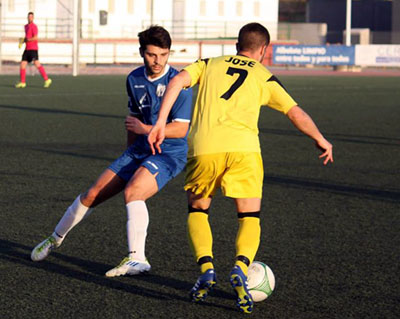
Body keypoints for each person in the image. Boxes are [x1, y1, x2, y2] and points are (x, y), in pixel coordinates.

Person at [148, 22, 333, 313]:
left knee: (198, 210)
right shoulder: (264, 75)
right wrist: (320, 138)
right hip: (244, 150)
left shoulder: (208, 64)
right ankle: (240, 267)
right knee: (249, 216)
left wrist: (160, 122)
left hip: (204, 147)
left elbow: (175, 82)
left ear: (237, 45)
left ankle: (207, 268)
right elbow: (295, 112)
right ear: (263, 50)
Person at [31, 26, 192, 278]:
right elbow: (133, 120)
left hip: (168, 153)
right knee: (92, 193)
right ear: (142, 52)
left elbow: (180, 130)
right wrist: (129, 154)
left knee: (133, 191)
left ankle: (138, 259)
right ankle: (55, 238)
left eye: (163, 54)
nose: (158, 60)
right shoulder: (134, 79)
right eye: (151, 54)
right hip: (139, 150)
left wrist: (145, 128)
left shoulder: (179, 82)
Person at [15, 12, 52, 89]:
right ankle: (22, 82)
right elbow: (27, 37)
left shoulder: (34, 27)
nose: (30, 18)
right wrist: (22, 41)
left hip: (33, 49)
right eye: (29, 17)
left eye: (31, 17)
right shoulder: (26, 26)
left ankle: (47, 79)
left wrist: (28, 39)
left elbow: (35, 38)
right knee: (22, 64)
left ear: (33, 18)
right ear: (27, 17)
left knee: (37, 63)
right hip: (27, 49)